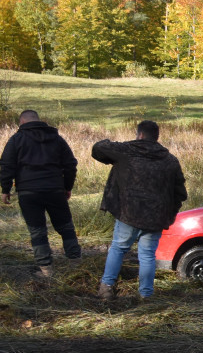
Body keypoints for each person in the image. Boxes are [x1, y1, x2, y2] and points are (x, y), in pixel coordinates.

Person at [93, 120, 187, 300]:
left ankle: (106, 288)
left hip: (129, 213)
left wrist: (118, 142)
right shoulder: (170, 160)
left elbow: (98, 148)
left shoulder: (126, 151)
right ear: (157, 137)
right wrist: (169, 213)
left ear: (140, 135)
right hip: (156, 217)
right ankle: (146, 295)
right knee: (147, 256)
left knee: (118, 248)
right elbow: (180, 193)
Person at [0, 109, 81, 279]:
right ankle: (75, 263)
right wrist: (67, 186)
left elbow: (7, 165)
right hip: (54, 190)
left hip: (28, 192)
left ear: (21, 123)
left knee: (37, 231)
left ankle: (46, 269)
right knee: (66, 226)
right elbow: (70, 164)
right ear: (39, 120)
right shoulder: (56, 139)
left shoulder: (16, 139)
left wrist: (5, 190)